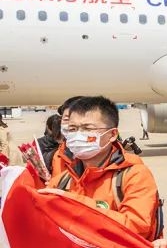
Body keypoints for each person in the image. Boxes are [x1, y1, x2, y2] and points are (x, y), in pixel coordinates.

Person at [42, 96, 160, 238]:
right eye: (72, 129)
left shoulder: (134, 175)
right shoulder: (62, 181)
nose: (78, 135)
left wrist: (76, 204)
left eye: (87, 128)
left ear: (112, 134)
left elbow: (135, 228)